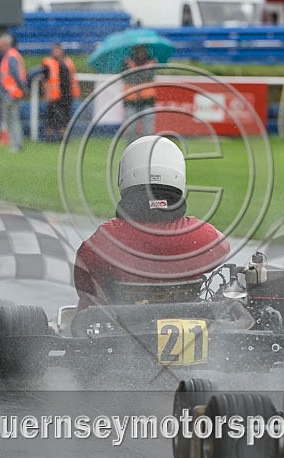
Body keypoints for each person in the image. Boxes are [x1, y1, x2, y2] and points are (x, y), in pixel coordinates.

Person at [73, 136, 230, 309]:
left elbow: (85, 285)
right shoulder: (202, 236)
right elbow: (224, 250)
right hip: (190, 324)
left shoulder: (105, 240)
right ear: (178, 176)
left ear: (125, 176)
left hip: (123, 326)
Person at [40, 43, 80, 142]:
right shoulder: (48, 62)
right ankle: (49, 138)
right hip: (54, 95)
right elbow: (44, 79)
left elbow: (72, 78)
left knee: (65, 117)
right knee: (52, 117)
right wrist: (46, 93)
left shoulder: (68, 62)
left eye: (58, 50)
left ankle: (62, 138)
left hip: (67, 95)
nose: (57, 52)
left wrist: (75, 92)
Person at [0, 32, 26, 153]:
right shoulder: (11, 55)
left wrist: (22, 88)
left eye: (0, 44)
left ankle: (16, 145)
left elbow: (15, 75)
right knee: (13, 120)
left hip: (11, 94)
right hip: (11, 93)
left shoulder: (11, 56)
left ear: (6, 44)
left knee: (12, 120)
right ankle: (16, 144)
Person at [122, 45, 158, 143]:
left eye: (143, 49)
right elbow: (126, 78)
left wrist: (136, 72)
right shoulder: (126, 63)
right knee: (130, 129)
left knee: (148, 130)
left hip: (147, 100)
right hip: (131, 100)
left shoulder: (152, 62)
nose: (140, 52)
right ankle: (131, 149)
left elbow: (148, 77)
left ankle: (147, 149)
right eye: (138, 49)